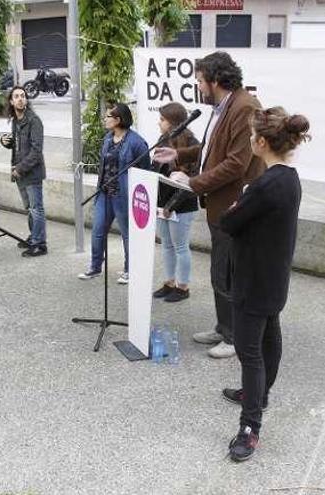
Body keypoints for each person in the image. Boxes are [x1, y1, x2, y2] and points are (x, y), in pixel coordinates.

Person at [153, 51, 266, 359]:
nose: (198, 87)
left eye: (200, 81)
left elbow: (235, 164)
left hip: (235, 208)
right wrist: (178, 156)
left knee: (228, 273)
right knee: (221, 271)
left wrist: (192, 183)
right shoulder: (224, 106)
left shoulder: (244, 107)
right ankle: (223, 326)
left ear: (215, 80)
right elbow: (211, 149)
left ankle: (233, 337)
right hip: (221, 205)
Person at [219, 107, 309, 462]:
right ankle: (259, 395)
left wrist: (241, 199)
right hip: (273, 278)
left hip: (253, 280)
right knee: (269, 336)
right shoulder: (290, 177)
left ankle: (249, 427)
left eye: (252, 136)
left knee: (249, 352)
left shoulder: (267, 185)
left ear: (260, 142)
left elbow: (229, 222)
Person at [78, 103, 149, 284]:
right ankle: (95, 267)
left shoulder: (137, 142)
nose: (105, 119)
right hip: (104, 192)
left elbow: (145, 171)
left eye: (108, 116)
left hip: (123, 195)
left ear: (118, 120)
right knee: (98, 230)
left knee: (127, 233)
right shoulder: (108, 139)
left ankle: (130, 269)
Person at [151, 103, 199, 303]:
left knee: (180, 246)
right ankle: (169, 282)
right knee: (167, 245)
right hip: (162, 202)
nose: (159, 122)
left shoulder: (191, 142)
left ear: (173, 122)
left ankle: (183, 286)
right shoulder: (163, 139)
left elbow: (191, 180)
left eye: (162, 119)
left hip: (181, 205)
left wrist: (171, 205)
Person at [0, 86, 47, 257]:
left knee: (36, 208)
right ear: (11, 102)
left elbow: (36, 151)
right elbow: (18, 145)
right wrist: (5, 142)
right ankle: (34, 236)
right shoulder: (15, 121)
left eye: (23, 96)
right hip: (20, 172)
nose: (20, 99)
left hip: (31, 172)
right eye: (16, 96)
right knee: (30, 208)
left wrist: (19, 169)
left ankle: (40, 244)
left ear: (26, 100)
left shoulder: (34, 121)